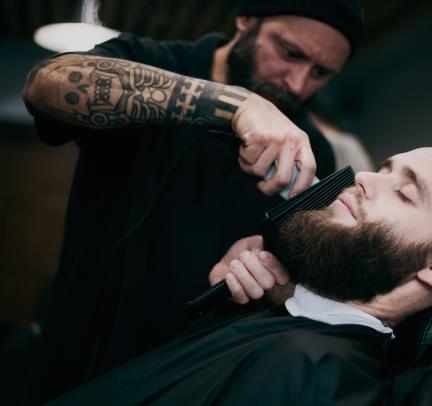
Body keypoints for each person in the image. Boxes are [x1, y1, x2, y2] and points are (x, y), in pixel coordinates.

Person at [22, 0, 365, 402]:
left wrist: (268, 280)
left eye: (320, 73)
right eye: (290, 53)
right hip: (76, 358)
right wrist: (237, 105)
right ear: (247, 20)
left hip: (190, 379)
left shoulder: (310, 150)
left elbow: (298, 288)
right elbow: (45, 86)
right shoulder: (155, 61)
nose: (298, 84)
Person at [48, 145, 432, 405]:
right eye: (382, 169)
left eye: (406, 194)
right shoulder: (288, 323)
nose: (363, 178)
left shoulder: (315, 373)